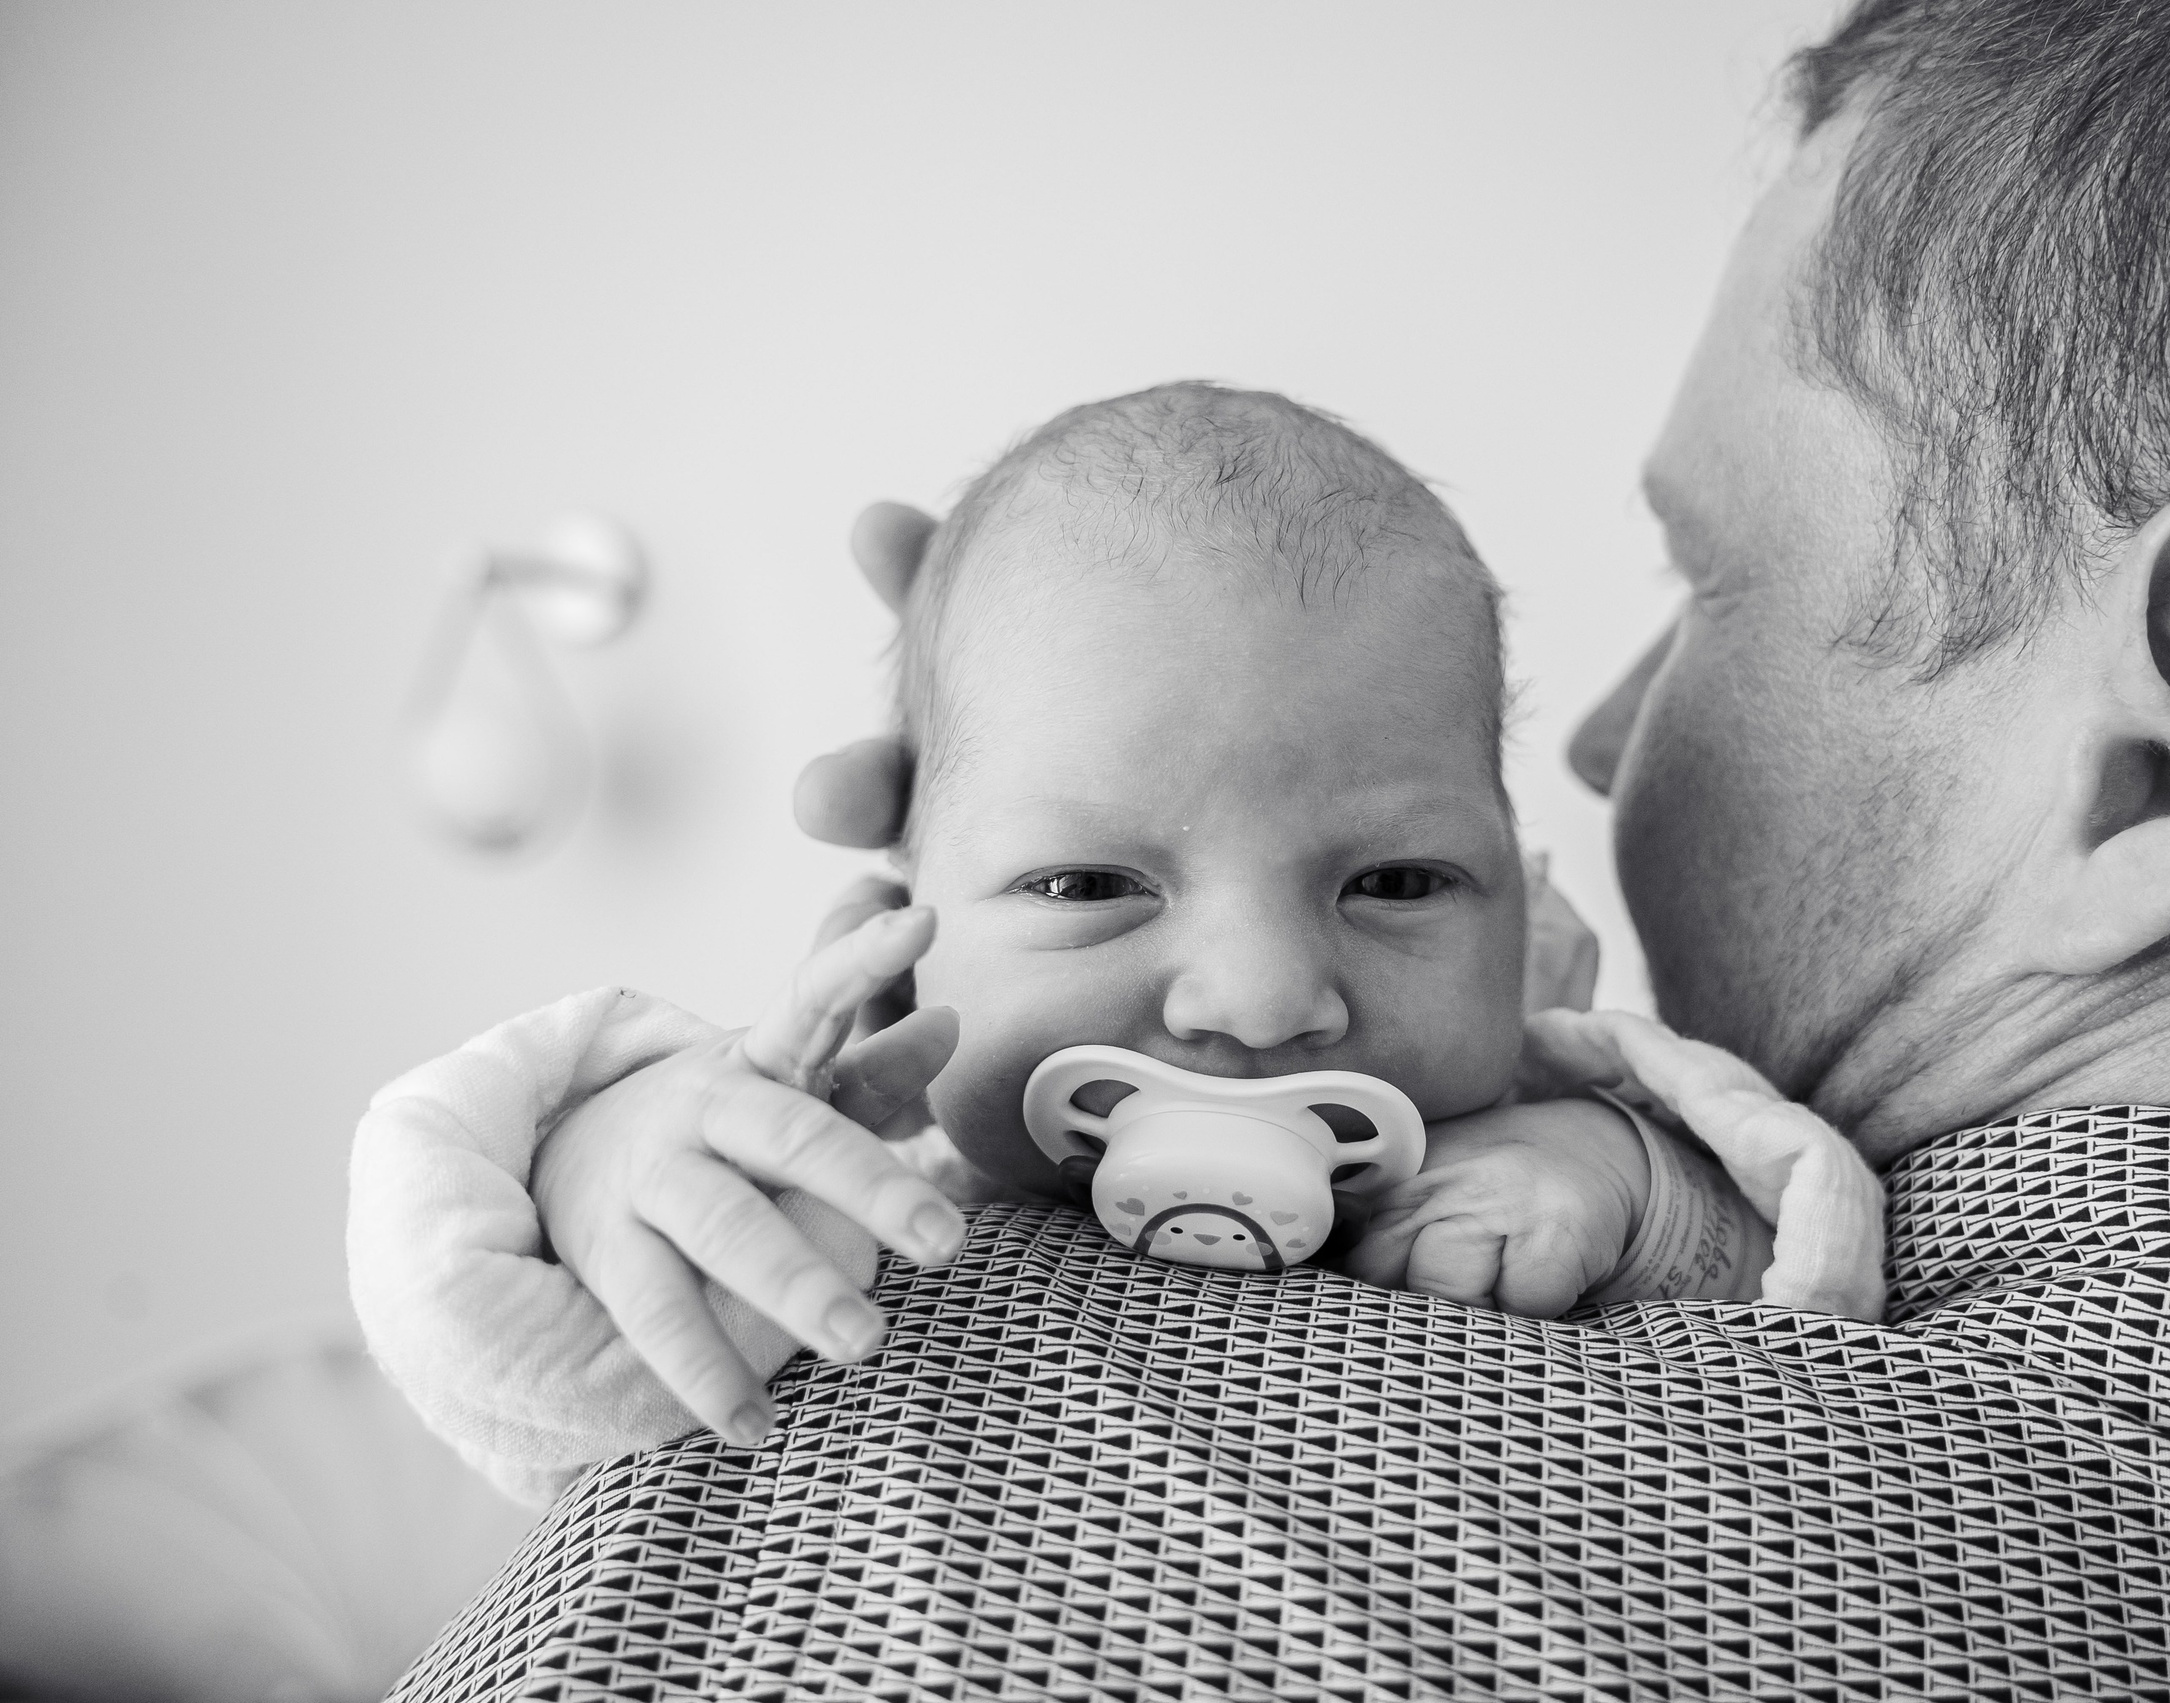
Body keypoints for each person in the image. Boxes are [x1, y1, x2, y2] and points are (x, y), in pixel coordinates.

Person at [377, 2, 2170, 1696]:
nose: (1598, 750)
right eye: (1084, 879)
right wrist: (596, 1140)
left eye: (1707, 583)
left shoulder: (888, 1506)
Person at [351, 381, 1885, 1500]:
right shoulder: (819, 1184)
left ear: (1523, 901)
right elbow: (512, 1380)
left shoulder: (1557, 1108)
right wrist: (602, 1173)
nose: (1265, 999)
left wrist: (1625, 1195)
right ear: (902, 925)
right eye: (1092, 887)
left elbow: (1816, 1307)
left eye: (1402, 883)